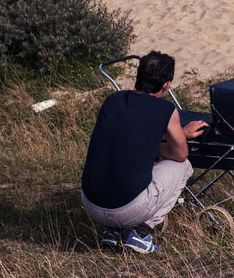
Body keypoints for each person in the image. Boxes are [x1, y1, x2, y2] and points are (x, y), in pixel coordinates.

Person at [80, 51, 209, 254]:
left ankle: (112, 232)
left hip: (90, 203)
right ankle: (140, 233)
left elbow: (128, 138)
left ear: (138, 77)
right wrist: (181, 134)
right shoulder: (165, 110)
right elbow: (180, 154)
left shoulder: (112, 101)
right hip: (126, 209)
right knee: (183, 167)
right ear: (166, 85)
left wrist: (161, 141)